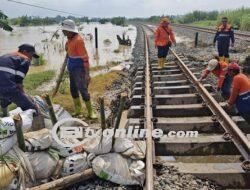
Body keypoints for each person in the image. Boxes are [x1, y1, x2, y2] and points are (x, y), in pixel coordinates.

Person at [61, 19, 97, 119]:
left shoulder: (78, 40)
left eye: (64, 30)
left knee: (83, 90)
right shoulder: (69, 39)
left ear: (70, 30)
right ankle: (78, 109)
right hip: (71, 69)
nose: (62, 31)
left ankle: (91, 112)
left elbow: (85, 58)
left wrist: (87, 74)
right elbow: (69, 53)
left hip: (79, 70)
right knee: (73, 90)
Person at [0, 44, 39, 116]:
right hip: (6, 87)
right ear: (24, 52)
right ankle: (39, 125)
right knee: (32, 108)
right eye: (31, 55)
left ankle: (4, 116)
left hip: (3, 85)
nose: (31, 58)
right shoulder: (25, 59)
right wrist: (25, 96)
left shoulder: (8, 55)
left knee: (4, 98)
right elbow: (18, 83)